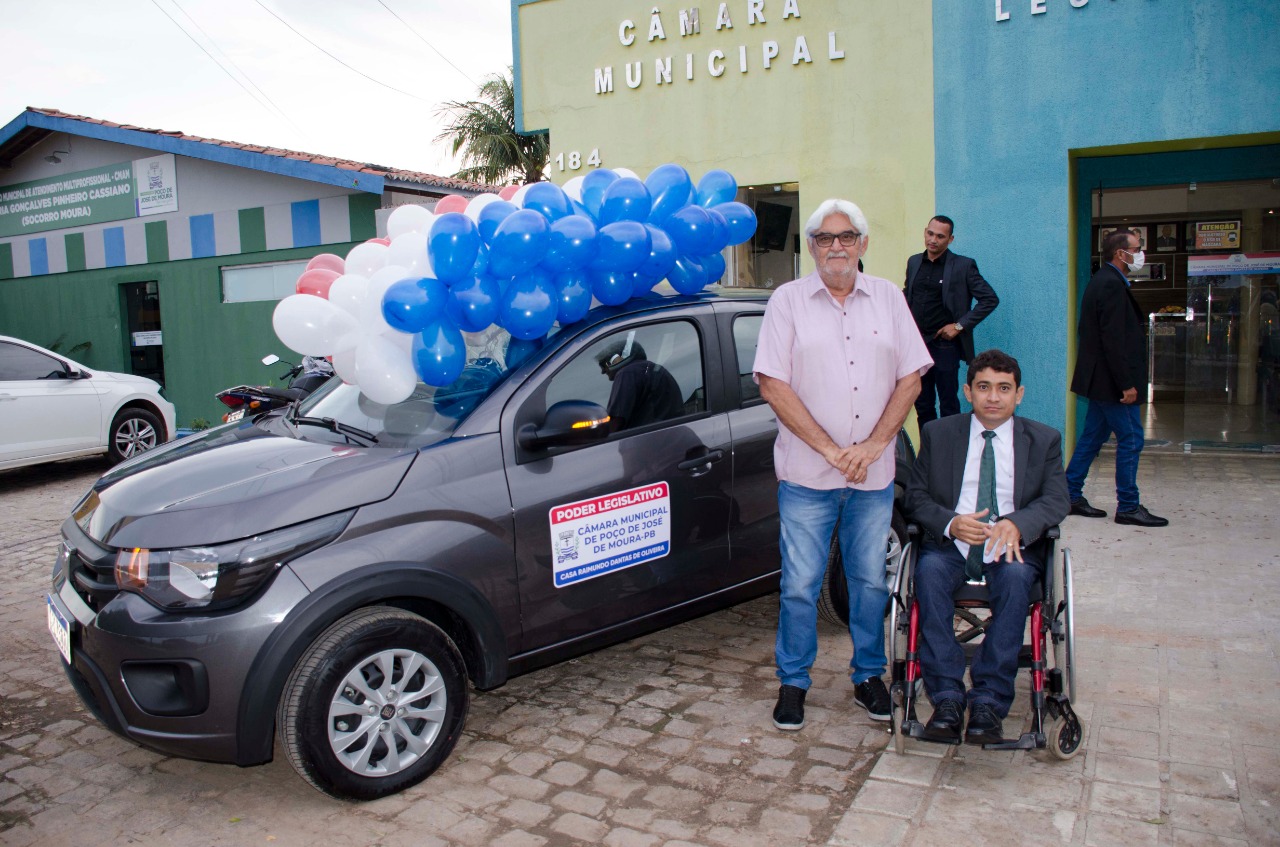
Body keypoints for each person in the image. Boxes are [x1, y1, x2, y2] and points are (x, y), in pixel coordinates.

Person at [753, 198, 932, 731]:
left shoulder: (890, 299)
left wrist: (876, 445)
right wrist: (833, 451)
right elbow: (771, 383)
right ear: (811, 247)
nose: (837, 246)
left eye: (847, 236)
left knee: (869, 583)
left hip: (874, 476)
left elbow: (911, 378)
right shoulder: (786, 302)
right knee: (801, 584)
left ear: (863, 244)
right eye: (826, 238)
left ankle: (868, 676)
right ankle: (793, 683)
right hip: (808, 475)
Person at [903, 350, 1070, 743]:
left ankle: (989, 702)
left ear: (1019, 394)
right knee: (926, 574)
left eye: (1003, 389)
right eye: (983, 388)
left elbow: (1057, 499)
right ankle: (946, 698)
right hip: (951, 547)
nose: (993, 397)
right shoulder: (938, 434)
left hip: (1010, 549)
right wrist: (951, 523)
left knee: (1014, 581)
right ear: (967, 392)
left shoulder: (1044, 439)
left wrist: (1017, 523)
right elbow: (916, 497)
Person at [1066, 228, 1168, 526]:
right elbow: (1112, 340)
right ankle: (1128, 506)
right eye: (1136, 248)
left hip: (1101, 381)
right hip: (1112, 383)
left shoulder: (1107, 281)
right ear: (1120, 254)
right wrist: (1126, 383)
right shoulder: (1109, 284)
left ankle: (1070, 495)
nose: (1140, 253)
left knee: (1091, 438)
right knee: (1132, 438)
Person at [903, 216, 1000, 426]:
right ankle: (929, 454)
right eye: (930, 234)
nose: (933, 240)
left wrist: (959, 326)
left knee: (948, 404)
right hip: (917, 345)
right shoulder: (913, 262)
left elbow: (989, 299)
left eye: (940, 236)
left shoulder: (963, 266)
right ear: (925, 232)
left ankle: (951, 454)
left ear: (950, 239)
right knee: (922, 404)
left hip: (945, 345)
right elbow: (907, 297)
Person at [596, 335, 684, 431]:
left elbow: (615, 424)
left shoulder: (627, 373)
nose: (603, 371)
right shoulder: (649, 370)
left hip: (652, 441)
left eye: (605, 364)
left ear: (621, 357)